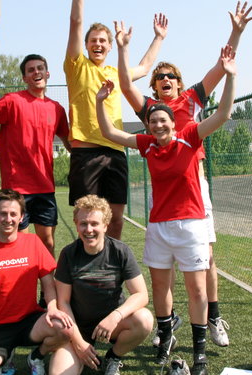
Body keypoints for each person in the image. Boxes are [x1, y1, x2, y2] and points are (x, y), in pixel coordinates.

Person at [116, 1, 252, 347]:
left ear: (179, 83)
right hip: (164, 194)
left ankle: (213, 316)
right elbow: (123, 83)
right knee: (164, 267)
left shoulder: (192, 100)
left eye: (170, 77)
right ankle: (167, 325)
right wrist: (155, 39)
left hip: (195, 187)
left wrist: (236, 31)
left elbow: (223, 66)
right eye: (159, 77)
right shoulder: (152, 112)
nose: (164, 80)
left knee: (205, 256)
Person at [96, 45, 237, 374]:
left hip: (191, 224)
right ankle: (165, 337)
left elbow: (224, 114)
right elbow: (109, 132)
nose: (158, 125)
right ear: (148, 126)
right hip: (159, 227)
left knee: (197, 288)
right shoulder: (147, 144)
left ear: (174, 123)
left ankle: (200, 352)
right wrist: (102, 102)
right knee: (160, 287)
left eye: (163, 120)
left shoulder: (190, 137)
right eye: (152, 121)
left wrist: (230, 76)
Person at [64, 0, 167, 240]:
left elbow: (143, 66)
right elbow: (76, 22)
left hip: (115, 152)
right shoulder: (76, 66)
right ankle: (86, 272)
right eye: (93, 40)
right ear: (86, 45)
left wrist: (158, 38)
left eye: (102, 41)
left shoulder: (115, 73)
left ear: (110, 46)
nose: (97, 44)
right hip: (85, 154)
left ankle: (111, 271)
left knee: (116, 220)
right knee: (87, 220)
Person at [0, 189, 73, 375]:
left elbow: (48, 283)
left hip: (30, 322)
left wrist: (52, 307)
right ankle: (7, 356)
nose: (8, 219)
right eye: (3, 213)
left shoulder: (33, 242)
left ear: (21, 217)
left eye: (13, 214)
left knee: (65, 329)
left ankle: (36, 356)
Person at [50, 194, 153, 375]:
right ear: (76, 224)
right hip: (77, 326)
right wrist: (78, 343)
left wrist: (115, 316)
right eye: (83, 223)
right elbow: (63, 302)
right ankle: (81, 349)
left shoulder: (120, 251)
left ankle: (113, 356)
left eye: (94, 224)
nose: (89, 229)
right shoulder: (68, 254)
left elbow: (141, 294)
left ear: (105, 225)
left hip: (111, 325)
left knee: (144, 319)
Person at [0, 54, 70, 258]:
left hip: (45, 186)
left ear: (47, 73)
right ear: (25, 78)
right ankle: (22, 290)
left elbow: (69, 142)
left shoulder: (57, 109)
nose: (36, 72)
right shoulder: (12, 101)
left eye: (40, 68)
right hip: (17, 189)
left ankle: (47, 291)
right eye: (31, 70)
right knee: (20, 246)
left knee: (48, 243)